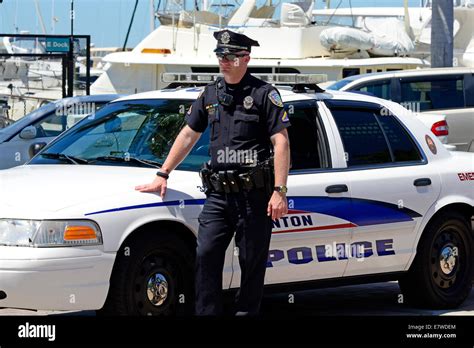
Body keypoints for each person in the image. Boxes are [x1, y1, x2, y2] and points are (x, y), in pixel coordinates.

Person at [135, 29, 291, 316]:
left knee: (251, 263)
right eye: (220, 55)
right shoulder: (210, 94)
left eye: (230, 55)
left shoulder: (264, 94)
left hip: (254, 197)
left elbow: (281, 142)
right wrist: (163, 173)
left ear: (246, 58)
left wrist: (279, 191)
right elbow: (188, 135)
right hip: (218, 196)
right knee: (205, 255)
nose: (224, 60)